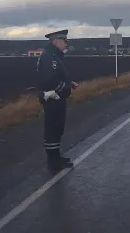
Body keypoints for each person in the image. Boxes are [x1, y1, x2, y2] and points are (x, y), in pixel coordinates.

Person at [36, 29, 79, 171]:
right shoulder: (50, 57)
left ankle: (56, 157)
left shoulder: (55, 55)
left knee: (58, 129)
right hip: (53, 98)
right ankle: (53, 162)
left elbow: (58, 76)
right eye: (64, 41)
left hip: (58, 98)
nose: (66, 44)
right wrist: (65, 86)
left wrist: (69, 82)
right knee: (53, 130)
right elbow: (49, 80)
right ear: (56, 41)